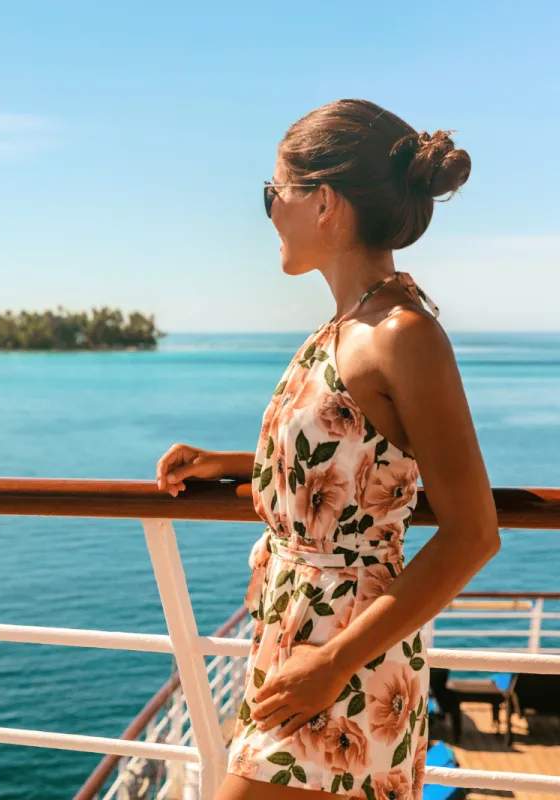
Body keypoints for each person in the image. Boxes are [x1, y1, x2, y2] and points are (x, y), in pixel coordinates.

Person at [155, 99, 500, 800]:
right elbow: (351, 455)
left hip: (348, 659)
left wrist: (335, 663)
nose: (269, 214)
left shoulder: (403, 334)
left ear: (325, 204)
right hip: (296, 642)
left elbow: (473, 534)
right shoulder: (341, 328)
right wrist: (228, 464)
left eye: (272, 194)